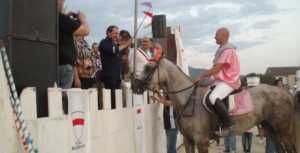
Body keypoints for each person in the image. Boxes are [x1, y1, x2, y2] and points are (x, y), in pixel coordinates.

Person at [194, 27, 241, 135]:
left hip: (230, 80)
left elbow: (216, 69)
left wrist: (201, 76)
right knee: (205, 96)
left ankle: (229, 124)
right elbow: (216, 72)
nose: (214, 37)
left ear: (224, 36)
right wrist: (203, 81)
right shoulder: (222, 49)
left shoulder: (228, 50)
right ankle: (215, 123)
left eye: (216, 35)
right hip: (221, 80)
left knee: (213, 97)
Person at [58, 0, 90, 89]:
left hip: (59, 63)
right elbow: (86, 30)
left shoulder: (56, 18)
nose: (62, 3)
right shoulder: (59, 17)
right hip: (64, 65)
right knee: (62, 97)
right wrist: (83, 19)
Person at [99, 25, 131, 108]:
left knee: (117, 100)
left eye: (117, 33)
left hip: (117, 77)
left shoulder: (115, 44)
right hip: (109, 77)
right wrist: (126, 44)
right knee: (111, 100)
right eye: (115, 33)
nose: (117, 35)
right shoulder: (104, 42)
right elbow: (114, 50)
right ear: (108, 33)